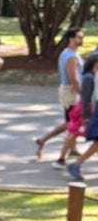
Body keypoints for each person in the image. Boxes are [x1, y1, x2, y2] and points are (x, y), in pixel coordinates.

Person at [36, 27, 84, 166]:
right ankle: (46, 144)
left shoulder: (69, 53)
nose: (81, 40)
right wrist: (82, 94)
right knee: (72, 124)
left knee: (71, 123)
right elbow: (73, 79)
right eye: (79, 37)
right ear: (71, 38)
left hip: (70, 91)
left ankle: (72, 148)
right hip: (70, 91)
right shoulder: (70, 57)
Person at [65, 51, 98, 182]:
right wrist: (85, 116)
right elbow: (87, 98)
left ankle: (76, 164)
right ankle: (75, 164)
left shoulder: (93, 76)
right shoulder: (91, 77)